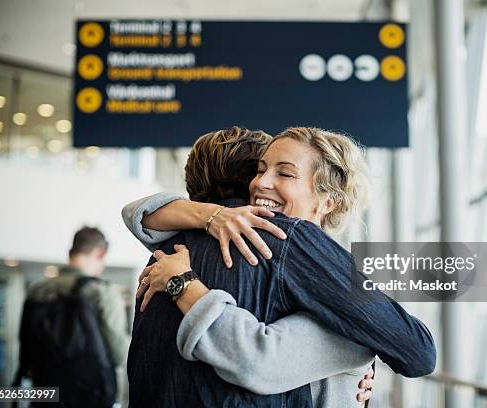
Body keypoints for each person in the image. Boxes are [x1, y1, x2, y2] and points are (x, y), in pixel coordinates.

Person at [127, 127, 436, 407]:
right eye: (260, 170)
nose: (262, 182)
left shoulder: (167, 249)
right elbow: (258, 359)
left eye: (285, 174)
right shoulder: (282, 239)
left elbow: (138, 214)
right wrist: (364, 348)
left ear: (329, 201)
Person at [18, 227, 129, 407]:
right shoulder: (102, 293)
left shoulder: (36, 290)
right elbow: (118, 353)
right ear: (100, 253)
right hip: (89, 396)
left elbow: (25, 350)